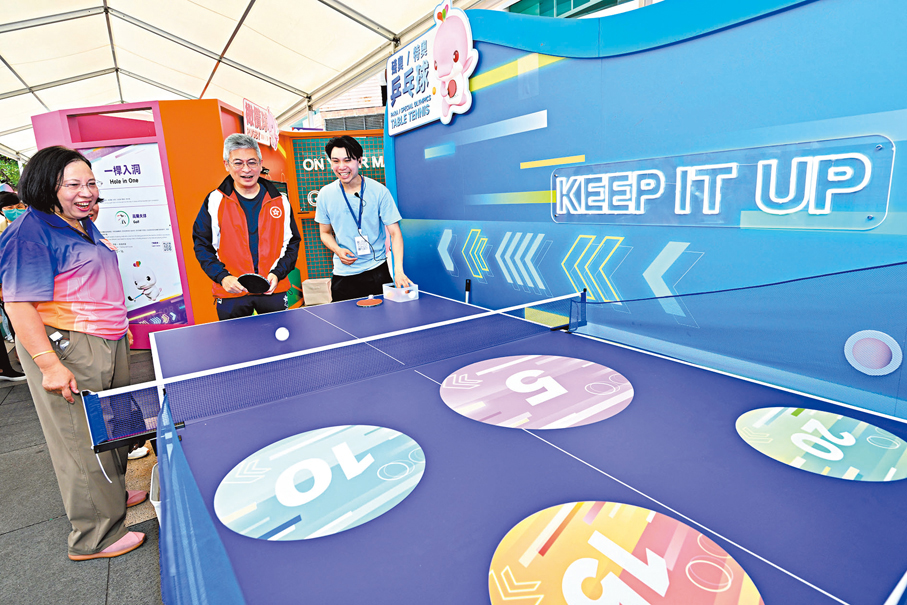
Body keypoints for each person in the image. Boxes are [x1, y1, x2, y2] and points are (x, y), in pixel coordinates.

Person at [0, 146, 146, 561]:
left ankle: (111, 496)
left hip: (105, 339)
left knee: (112, 427)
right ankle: (93, 537)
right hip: (67, 346)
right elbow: (18, 305)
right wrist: (49, 364)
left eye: (91, 183)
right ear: (47, 186)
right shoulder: (28, 233)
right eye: (73, 185)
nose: (86, 192)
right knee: (80, 440)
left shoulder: (78, 222)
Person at [193, 133, 301, 320]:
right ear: (226, 165)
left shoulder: (280, 201)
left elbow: (291, 243)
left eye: (252, 162)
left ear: (260, 164)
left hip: (272, 289)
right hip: (231, 292)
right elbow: (202, 244)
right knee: (235, 339)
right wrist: (223, 277)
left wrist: (278, 274)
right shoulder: (215, 200)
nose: (246, 169)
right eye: (238, 163)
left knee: (279, 338)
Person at [315, 135, 411, 302]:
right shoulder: (325, 194)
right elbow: (324, 233)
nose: (342, 166)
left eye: (347, 160)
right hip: (343, 275)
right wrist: (338, 250)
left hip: (377, 271)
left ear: (359, 161)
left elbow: (395, 233)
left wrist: (399, 271)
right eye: (336, 161)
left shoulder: (379, 191)